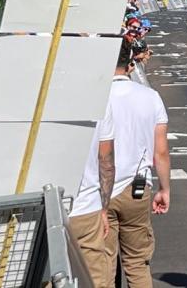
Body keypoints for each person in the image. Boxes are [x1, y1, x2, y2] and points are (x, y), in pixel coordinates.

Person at [104, 38, 170, 288]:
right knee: (137, 263)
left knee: (103, 263)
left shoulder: (94, 97)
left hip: (99, 188)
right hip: (137, 186)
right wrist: (165, 189)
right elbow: (160, 151)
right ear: (130, 64)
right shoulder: (150, 97)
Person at [70, 88, 116, 288]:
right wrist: (104, 208)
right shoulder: (97, 97)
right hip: (86, 205)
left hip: (43, 204)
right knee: (95, 278)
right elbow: (106, 161)